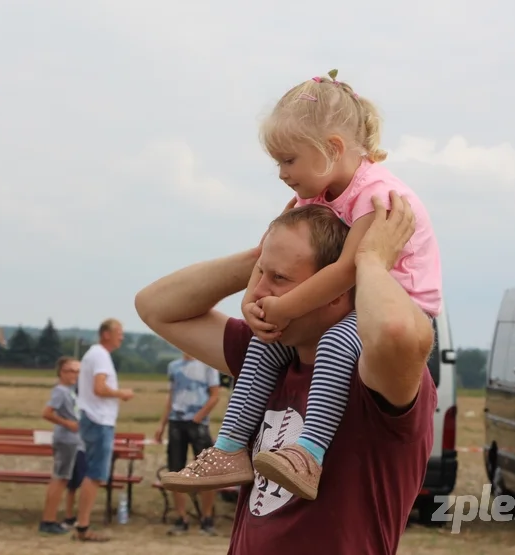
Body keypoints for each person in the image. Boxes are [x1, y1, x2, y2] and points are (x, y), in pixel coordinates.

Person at [157, 69, 442, 502]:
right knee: (263, 342)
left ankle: (308, 452)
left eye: (288, 160)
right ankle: (232, 447)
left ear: (332, 149)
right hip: (354, 301)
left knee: (333, 344)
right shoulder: (319, 193)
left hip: (397, 304)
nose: (281, 173)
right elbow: (271, 246)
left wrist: (285, 308)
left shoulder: (376, 195)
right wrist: (254, 302)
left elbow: (349, 269)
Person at [134, 194, 436, 554]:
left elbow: (399, 333)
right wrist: (258, 257)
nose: (257, 293)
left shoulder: (374, 377)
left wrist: (368, 262)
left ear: (335, 293)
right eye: (261, 274)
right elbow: (155, 307)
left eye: (279, 278)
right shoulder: (268, 357)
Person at [72, 318, 135, 542]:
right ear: (106, 334)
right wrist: (122, 393)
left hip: (93, 419)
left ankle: (82, 523)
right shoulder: (100, 355)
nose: (122, 336)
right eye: (119, 332)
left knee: (95, 473)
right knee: (95, 474)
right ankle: (83, 526)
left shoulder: (94, 354)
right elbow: (99, 388)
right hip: (99, 421)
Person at [154, 352, 221, 536]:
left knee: (207, 471)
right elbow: (171, 397)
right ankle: (181, 518)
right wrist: (162, 423)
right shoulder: (174, 366)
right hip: (176, 423)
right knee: (176, 471)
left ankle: (207, 518)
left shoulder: (208, 364)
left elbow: (215, 395)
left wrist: (198, 416)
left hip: (198, 423)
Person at [38, 356, 87, 534]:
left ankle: (51, 520)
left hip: (73, 441)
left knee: (63, 479)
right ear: (61, 372)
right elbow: (47, 413)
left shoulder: (70, 390)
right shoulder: (60, 391)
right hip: (67, 440)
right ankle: (48, 520)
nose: (75, 375)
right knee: (60, 479)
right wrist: (68, 424)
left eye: (77, 371)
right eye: (70, 371)